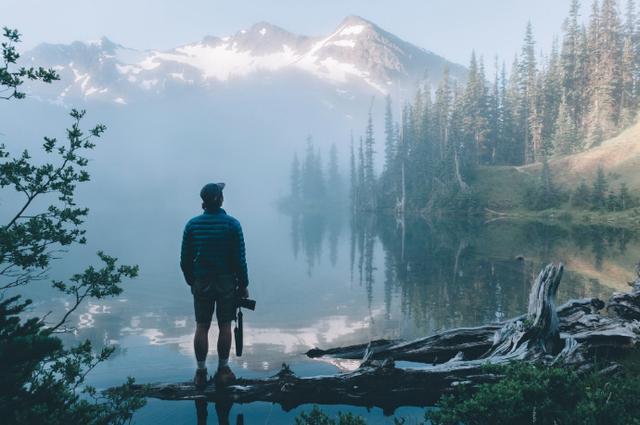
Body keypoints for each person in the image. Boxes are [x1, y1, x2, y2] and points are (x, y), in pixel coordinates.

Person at [180, 182, 249, 388]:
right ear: (220, 200)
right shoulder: (232, 224)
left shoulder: (192, 225)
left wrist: (192, 281)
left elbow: (185, 260)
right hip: (227, 281)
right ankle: (223, 370)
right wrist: (243, 284)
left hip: (201, 281)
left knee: (202, 326)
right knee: (225, 325)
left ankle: (201, 373)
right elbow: (240, 260)